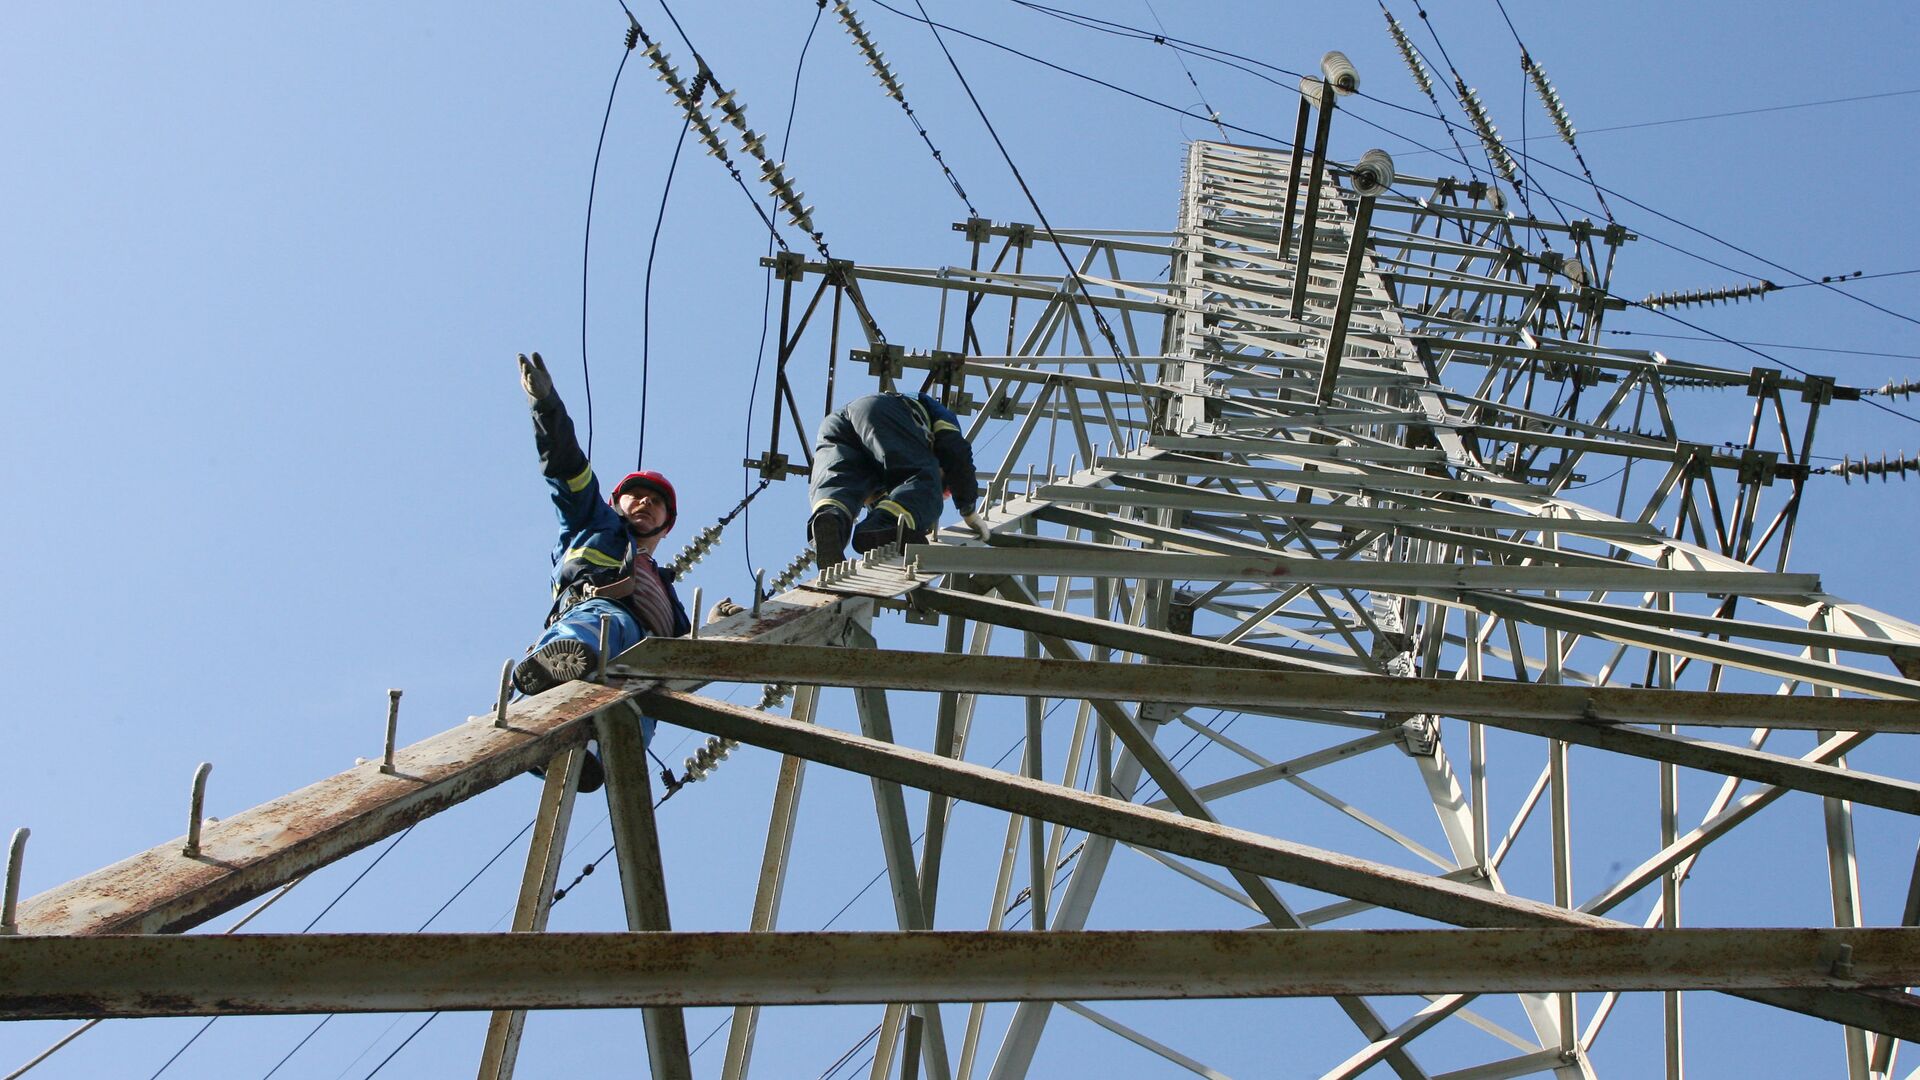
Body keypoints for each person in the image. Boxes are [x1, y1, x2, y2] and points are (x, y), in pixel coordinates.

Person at [514, 351, 691, 701]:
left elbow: (687, 647)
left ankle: (598, 755)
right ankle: (555, 669)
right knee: (595, 628)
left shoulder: (662, 587)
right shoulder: (593, 520)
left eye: (655, 502)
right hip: (599, 612)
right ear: (615, 504)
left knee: (633, 715)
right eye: (636, 496)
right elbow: (567, 467)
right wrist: (547, 406)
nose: (645, 503)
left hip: (647, 663)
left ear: (666, 526)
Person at [808, 389, 986, 569]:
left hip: (836, 423)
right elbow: (957, 452)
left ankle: (831, 521)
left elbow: (879, 514)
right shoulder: (937, 415)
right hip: (885, 411)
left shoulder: (886, 481)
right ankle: (885, 524)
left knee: (840, 482)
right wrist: (968, 507)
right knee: (922, 480)